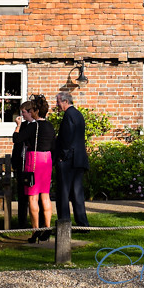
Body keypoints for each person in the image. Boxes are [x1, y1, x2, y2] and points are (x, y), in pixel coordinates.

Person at [14, 94, 55, 243]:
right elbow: (54, 146)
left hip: (35, 159)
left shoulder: (33, 126)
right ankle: (47, 227)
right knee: (45, 196)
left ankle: (36, 229)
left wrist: (17, 126)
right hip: (47, 159)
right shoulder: (50, 126)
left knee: (32, 196)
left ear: (36, 111)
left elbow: (17, 139)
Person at [54, 91, 90, 228]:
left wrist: (62, 156)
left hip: (69, 160)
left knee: (63, 193)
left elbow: (67, 139)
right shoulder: (78, 114)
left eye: (58, 102)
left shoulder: (68, 115)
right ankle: (82, 224)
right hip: (79, 159)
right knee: (77, 193)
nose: (57, 105)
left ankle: (64, 223)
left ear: (65, 101)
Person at [12, 100, 35, 229]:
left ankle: (36, 222)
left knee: (32, 194)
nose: (22, 115)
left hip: (32, 163)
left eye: (24, 112)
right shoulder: (24, 126)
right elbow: (16, 142)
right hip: (21, 163)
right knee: (21, 194)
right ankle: (22, 222)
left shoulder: (36, 126)